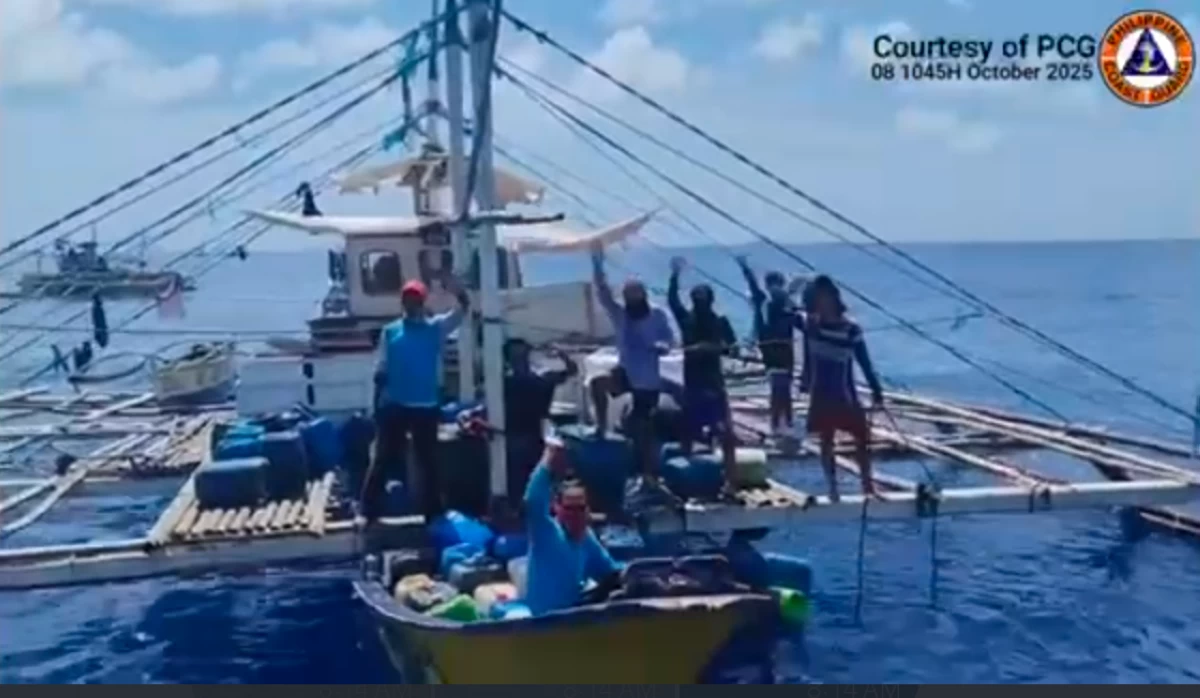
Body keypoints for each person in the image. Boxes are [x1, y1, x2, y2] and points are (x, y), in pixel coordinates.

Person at [364, 275, 470, 523]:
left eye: (416, 299)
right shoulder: (390, 332)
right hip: (395, 405)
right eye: (407, 299)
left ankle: (433, 512)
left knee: (428, 461)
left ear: (422, 302)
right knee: (383, 458)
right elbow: (381, 369)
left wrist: (458, 291)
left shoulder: (436, 328)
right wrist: (376, 405)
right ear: (402, 302)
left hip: (426, 405)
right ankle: (367, 510)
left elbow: (461, 311)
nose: (411, 303)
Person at [589, 244, 675, 494]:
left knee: (642, 429)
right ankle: (601, 427)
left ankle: (648, 475)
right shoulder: (622, 315)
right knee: (597, 383)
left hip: (647, 380)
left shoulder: (657, 315)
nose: (632, 299)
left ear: (643, 295)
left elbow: (670, 340)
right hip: (625, 371)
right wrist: (597, 264)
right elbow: (603, 294)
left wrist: (660, 346)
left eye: (636, 295)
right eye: (629, 295)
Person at [459, 338, 578, 508]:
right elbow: (483, 405)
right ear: (508, 359)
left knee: (539, 479)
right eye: (515, 355)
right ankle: (518, 509)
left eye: (522, 354)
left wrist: (562, 354)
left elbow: (571, 371)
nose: (519, 358)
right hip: (512, 437)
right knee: (518, 481)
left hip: (535, 434)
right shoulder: (503, 381)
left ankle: (538, 508)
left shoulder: (540, 377)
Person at [804, 275, 884, 501]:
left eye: (823, 297)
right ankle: (833, 489)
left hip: (844, 393)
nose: (820, 303)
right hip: (821, 392)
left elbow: (865, 362)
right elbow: (781, 311)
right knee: (826, 439)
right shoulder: (812, 326)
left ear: (832, 298)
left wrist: (876, 390)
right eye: (816, 298)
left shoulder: (851, 329)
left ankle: (867, 486)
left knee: (862, 436)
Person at [523, 437, 623, 615]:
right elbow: (532, 502)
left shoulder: (586, 538)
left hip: (573, 622)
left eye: (580, 508)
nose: (575, 515)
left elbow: (611, 573)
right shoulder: (547, 533)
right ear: (557, 508)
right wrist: (548, 460)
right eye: (569, 509)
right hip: (541, 627)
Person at [666, 256, 739, 481]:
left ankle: (731, 479)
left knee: (726, 434)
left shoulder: (720, 322)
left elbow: (733, 348)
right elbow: (672, 300)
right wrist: (675, 275)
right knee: (687, 432)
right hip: (694, 385)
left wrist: (712, 348)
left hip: (714, 385)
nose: (699, 301)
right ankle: (686, 478)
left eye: (703, 298)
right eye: (696, 298)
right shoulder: (686, 319)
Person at [736, 256, 809, 436]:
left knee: (782, 387)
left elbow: (802, 324)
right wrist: (745, 268)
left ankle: (783, 422)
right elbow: (753, 285)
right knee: (780, 388)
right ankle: (779, 423)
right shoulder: (769, 301)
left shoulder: (784, 304)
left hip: (778, 349)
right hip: (775, 350)